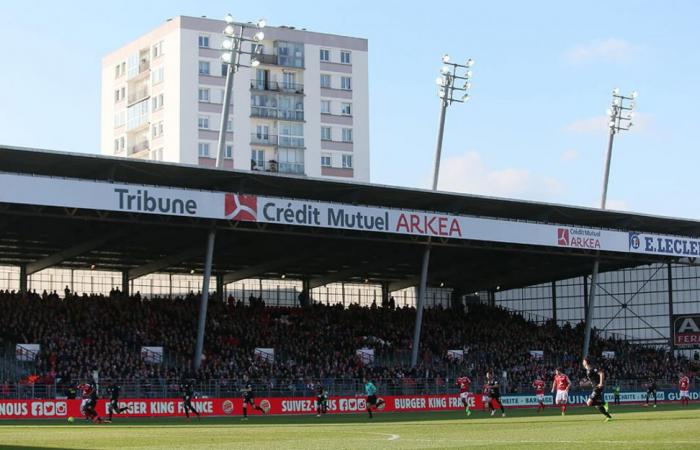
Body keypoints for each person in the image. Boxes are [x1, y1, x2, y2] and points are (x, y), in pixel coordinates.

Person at [582, 357, 612, 422]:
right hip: (595, 387)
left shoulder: (591, 368)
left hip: (598, 387)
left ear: (586, 362)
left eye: (583, 361)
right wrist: (585, 384)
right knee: (597, 406)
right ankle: (608, 416)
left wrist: (601, 383)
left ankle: (604, 403)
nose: (582, 362)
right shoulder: (587, 370)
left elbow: (601, 373)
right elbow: (593, 380)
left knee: (589, 403)